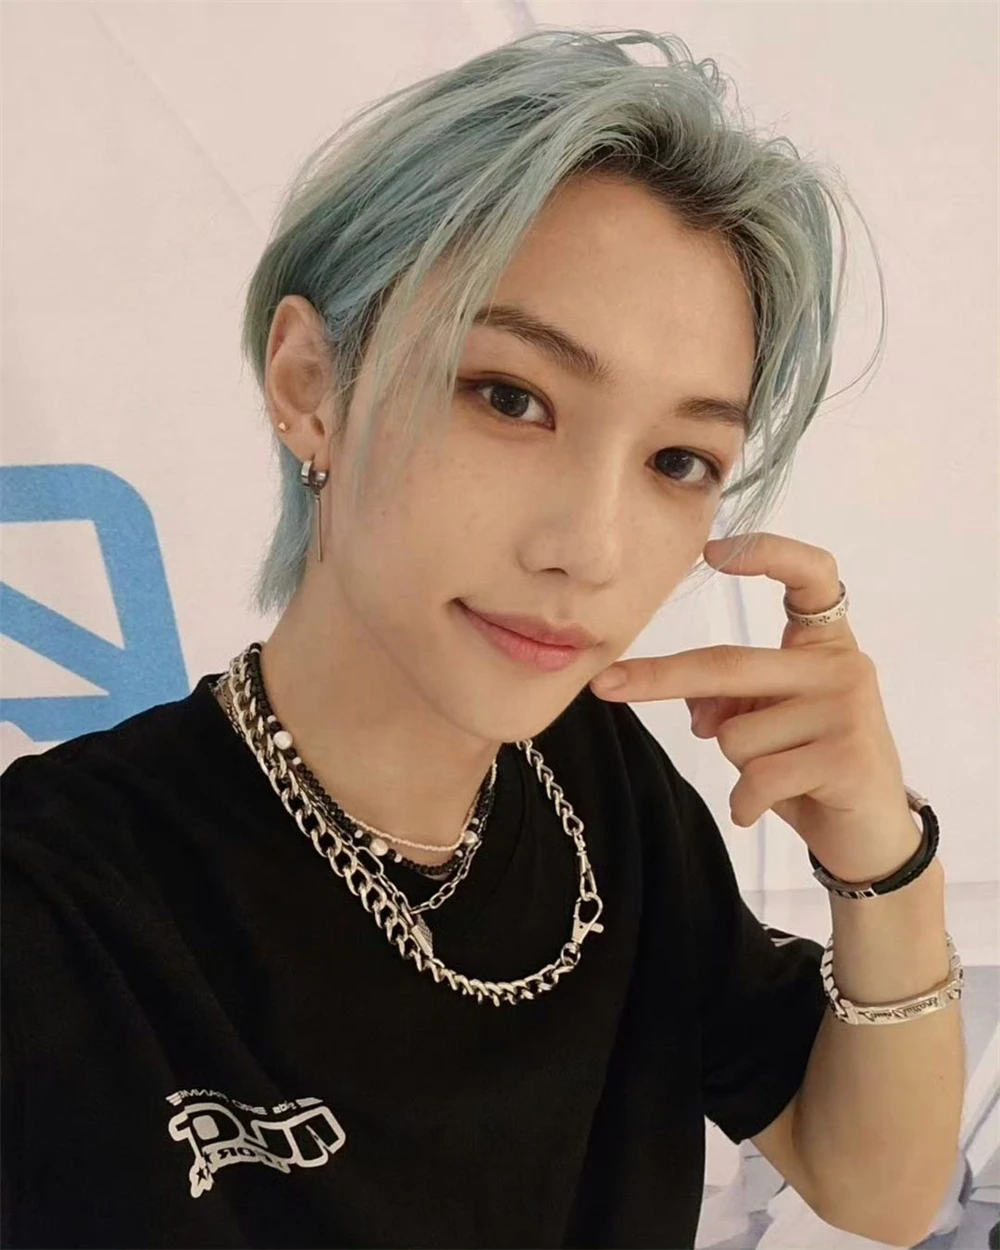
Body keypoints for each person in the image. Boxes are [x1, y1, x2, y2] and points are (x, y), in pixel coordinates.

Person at [1, 26, 893, 1250]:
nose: (591, 546)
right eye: (510, 397)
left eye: (678, 460)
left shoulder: (605, 792)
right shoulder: (53, 904)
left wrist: (879, 851)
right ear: (311, 383)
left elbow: (880, 1185)